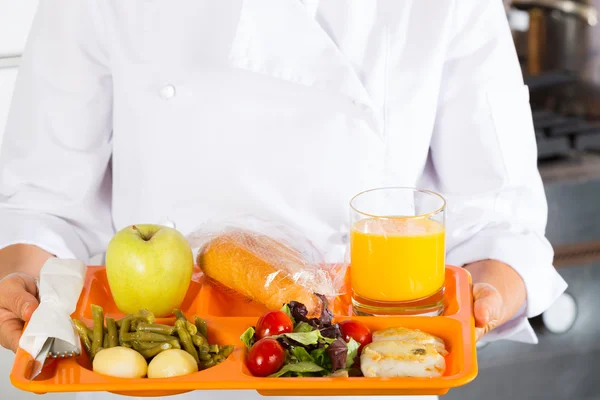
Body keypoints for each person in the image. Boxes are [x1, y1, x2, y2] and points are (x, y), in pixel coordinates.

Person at [0, 1, 567, 400]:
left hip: (357, 375)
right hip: (150, 375)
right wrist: (21, 286)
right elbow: (44, 200)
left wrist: (490, 291)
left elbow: (497, 218)